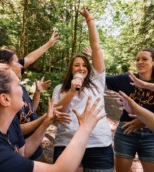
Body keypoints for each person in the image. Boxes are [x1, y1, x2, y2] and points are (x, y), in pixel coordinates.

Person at [52, 7, 114, 172]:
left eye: (84, 65)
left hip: (98, 144)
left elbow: (96, 48)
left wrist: (89, 20)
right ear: (71, 69)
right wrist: (72, 92)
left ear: (89, 69)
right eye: (77, 65)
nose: (81, 68)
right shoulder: (60, 88)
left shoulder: (97, 82)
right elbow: (58, 114)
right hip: (67, 143)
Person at [0, 31, 59, 162]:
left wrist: (37, 93)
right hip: (21, 147)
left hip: (29, 145)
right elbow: (15, 128)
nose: (21, 65)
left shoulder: (15, 86)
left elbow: (29, 110)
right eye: (16, 60)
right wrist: (44, 120)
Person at [106, 48, 154, 172]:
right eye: (137, 59)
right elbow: (99, 79)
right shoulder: (126, 79)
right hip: (126, 131)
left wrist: (150, 122)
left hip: (153, 134)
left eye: (144, 59)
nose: (139, 62)